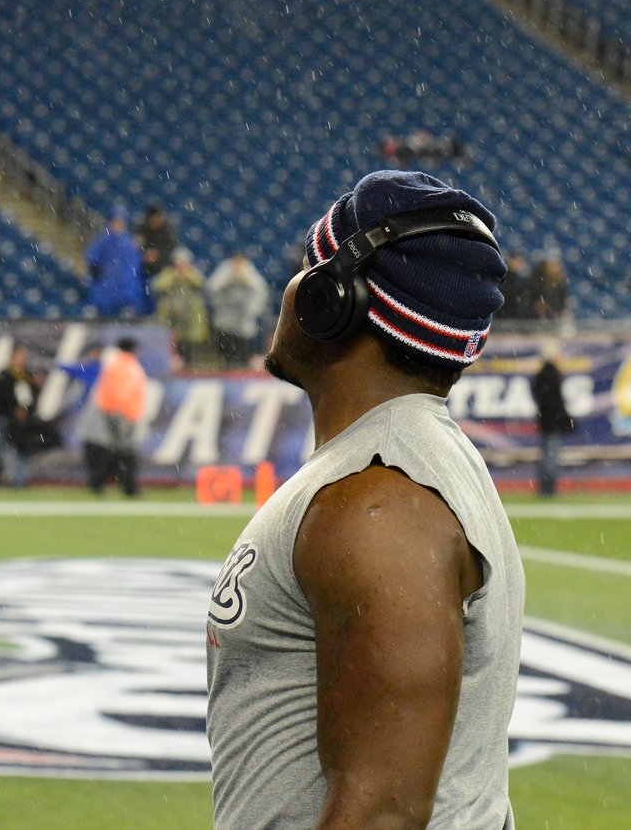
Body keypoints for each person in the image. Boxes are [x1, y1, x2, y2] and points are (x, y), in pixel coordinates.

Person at [206, 170, 524, 829]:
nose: (290, 288)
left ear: (333, 299)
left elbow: (383, 811)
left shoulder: (376, 505)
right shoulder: (394, 469)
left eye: (307, 268)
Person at [0, 345, 54, 488]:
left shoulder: (27, 377)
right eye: (19, 356)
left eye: (23, 357)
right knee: (1, 450)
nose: (22, 360)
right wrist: (13, 409)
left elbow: (31, 399)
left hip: (23, 422)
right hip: (4, 418)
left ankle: (18, 480)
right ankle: (1, 478)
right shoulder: (5, 376)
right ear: (12, 357)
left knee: (22, 449)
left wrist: (35, 391)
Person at [81, 337, 147, 496]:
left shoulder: (116, 363)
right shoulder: (125, 365)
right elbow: (123, 392)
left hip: (117, 411)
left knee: (115, 450)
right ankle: (127, 487)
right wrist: (124, 412)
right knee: (124, 451)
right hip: (122, 413)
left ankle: (100, 482)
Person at [207, 251, 268, 366]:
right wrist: (230, 277)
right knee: (226, 343)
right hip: (227, 314)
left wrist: (252, 310)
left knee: (243, 344)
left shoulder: (250, 272)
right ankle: (227, 363)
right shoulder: (225, 270)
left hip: (244, 315)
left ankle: (243, 363)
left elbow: (261, 291)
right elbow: (213, 286)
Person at [151, 246, 210, 367]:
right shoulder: (169, 273)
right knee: (173, 338)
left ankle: (190, 362)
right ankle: (174, 361)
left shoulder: (193, 273)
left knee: (191, 339)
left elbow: (202, 285)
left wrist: (188, 276)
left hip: (190, 313)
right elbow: (157, 286)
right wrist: (172, 277)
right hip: (173, 313)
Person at [530, 341, 574, 497]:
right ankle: (548, 488)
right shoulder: (553, 374)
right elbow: (556, 400)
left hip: (545, 419)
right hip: (552, 421)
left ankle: (544, 488)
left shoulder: (541, 374)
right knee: (551, 455)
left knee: (546, 454)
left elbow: (538, 396)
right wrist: (564, 418)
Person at [85, 206, 146, 316]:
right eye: (115, 221)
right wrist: (95, 269)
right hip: (105, 289)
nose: (117, 224)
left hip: (124, 292)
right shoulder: (103, 240)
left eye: (120, 222)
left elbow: (134, 269)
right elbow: (92, 258)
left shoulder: (129, 243)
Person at [135, 204, 177, 283]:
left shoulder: (167, 232)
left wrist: (157, 254)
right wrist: (144, 254)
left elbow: (172, 250)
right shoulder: (141, 229)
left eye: (158, 217)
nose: (155, 220)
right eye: (153, 217)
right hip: (141, 269)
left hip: (161, 270)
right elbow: (134, 247)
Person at [529, 248, 570, 323]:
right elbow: (532, 297)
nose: (554, 268)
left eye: (556, 265)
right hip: (534, 317)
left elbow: (562, 298)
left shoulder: (561, 280)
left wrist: (562, 309)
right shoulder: (536, 279)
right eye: (552, 264)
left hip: (553, 315)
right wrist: (537, 304)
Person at [497, 249, 533, 321]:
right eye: (516, 260)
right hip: (502, 316)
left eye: (521, 261)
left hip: (516, 317)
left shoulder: (522, 279)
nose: (519, 263)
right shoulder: (501, 276)